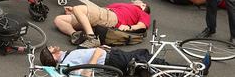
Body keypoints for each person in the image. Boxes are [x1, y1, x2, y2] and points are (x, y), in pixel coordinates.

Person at [53, 0, 151, 48]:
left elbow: (142, 25)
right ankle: (76, 35)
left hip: (112, 17)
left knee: (77, 8)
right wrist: (76, 13)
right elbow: (98, 11)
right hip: (104, 14)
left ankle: (91, 37)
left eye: (140, 1)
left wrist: (129, 27)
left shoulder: (142, 12)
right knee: (59, 19)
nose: (136, 0)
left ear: (143, 6)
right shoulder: (127, 6)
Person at [39, 44, 172, 76]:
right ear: (52, 56)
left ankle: (178, 72)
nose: (53, 46)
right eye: (50, 48)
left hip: (112, 56)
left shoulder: (67, 56)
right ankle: (180, 71)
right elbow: (83, 72)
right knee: (149, 62)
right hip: (113, 60)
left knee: (145, 60)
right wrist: (90, 65)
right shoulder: (67, 62)